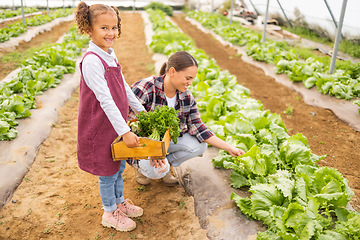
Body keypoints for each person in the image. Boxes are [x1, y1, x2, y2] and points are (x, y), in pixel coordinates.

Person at [75, 2, 148, 232]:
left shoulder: (109, 55)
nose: (111, 33)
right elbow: (105, 100)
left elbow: (125, 88)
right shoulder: (92, 61)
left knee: (118, 166)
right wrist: (125, 132)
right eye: (104, 28)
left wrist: (144, 114)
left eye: (114, 28)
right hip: (99, 125)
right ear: (90, 29)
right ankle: (109, 212)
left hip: (115, 123)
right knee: (107, 170)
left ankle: (119, 202)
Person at [129, 51, 245, 186]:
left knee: (199, 145)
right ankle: (141, 168)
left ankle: (166, 164)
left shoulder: (186, 97)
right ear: (172, 71)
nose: (190, 83)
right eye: (188, 78)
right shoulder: (146, 87)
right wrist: (150, 149)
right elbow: (127, 123)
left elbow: (199, 128)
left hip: (166, 142)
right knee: (154, 171)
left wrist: (229, 148)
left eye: (192, 79)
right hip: (142, 144)